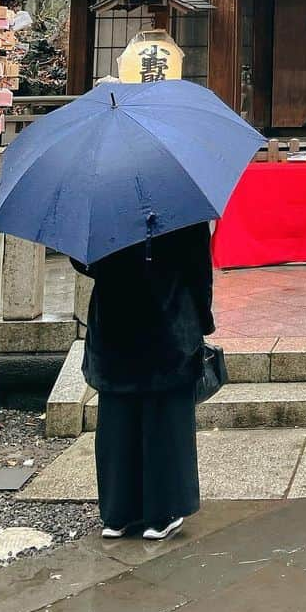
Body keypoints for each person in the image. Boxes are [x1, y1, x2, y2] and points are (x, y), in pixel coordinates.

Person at [73, 222, 214, 540]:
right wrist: (203, 318)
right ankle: (161, 513)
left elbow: (81, 261)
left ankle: (117, 514)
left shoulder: (102, 204)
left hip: (114, 321)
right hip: (168, 319)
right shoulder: (178, 206)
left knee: (117, 420)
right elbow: (198, 267)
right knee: (165, 420)